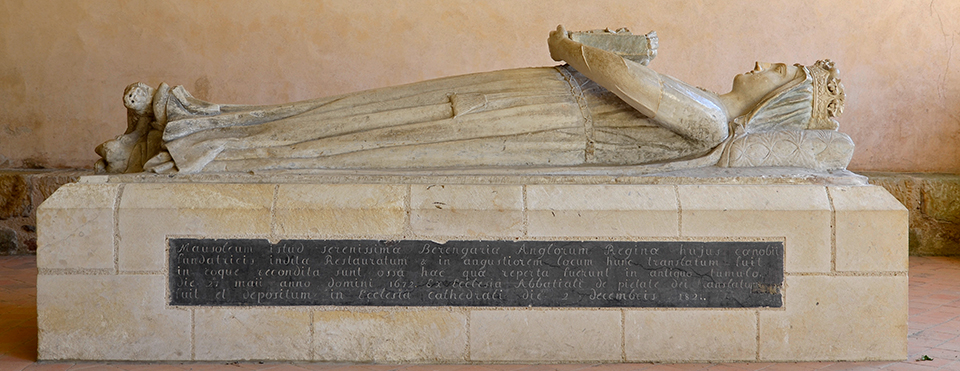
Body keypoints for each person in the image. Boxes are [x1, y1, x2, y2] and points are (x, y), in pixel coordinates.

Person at [95, 25, 850, 174]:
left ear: (780, 102)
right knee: (361, 111)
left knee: (363, 134)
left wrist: (575, 47)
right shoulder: (702, 103)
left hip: (543, 123)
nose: (763, 62)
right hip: (540, 101)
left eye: (780, 70)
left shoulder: (711, 118)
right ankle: (188, 125)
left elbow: (619, 83)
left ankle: (199, 144)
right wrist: (593, 57)